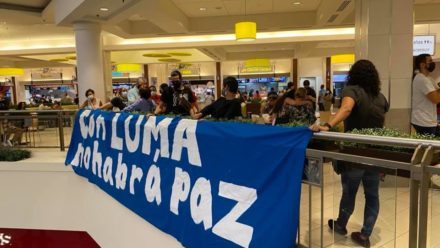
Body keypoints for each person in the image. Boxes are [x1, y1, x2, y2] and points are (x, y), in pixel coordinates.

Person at [311, 60, 389, 247]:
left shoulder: (352, 90)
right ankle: (365, 234)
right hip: (374, 153)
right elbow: (383, 125)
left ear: (354, 74)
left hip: (355, 152)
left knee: (349, 191)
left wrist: (328, 125)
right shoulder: (380, 97)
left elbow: (346, 108)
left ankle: (340, 225)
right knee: (372, 195)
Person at [411, 53, 440, 135]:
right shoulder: (422, 79)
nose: (432, 63)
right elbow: (436, 99)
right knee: (428, 146)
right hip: (424, 122)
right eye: (430, 61)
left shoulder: (429, 79)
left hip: (429, 121)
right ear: (422, 65)